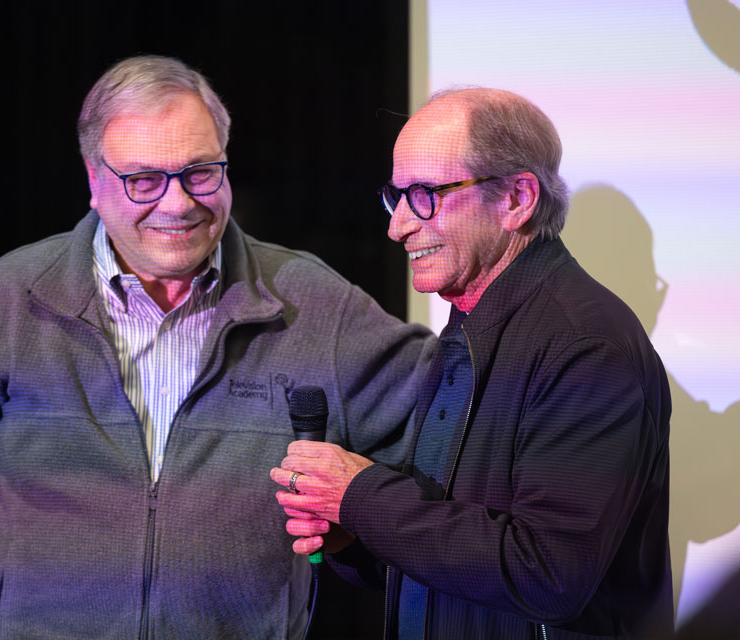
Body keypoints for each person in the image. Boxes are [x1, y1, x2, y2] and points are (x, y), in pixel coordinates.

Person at [0, 55, 433, 639]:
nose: (178, 203)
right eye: (144, 180)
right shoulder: (8, 300)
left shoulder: (315, 305)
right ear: (94, 181)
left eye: (201, 172)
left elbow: (455, 426)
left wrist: (360, 525)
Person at [272, 88, 674, 639]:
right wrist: (355, 534)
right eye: (396, 197)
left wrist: (362, 497)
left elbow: (547, 574)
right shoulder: (468, 330)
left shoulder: (585, 347)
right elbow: (459, 552)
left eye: (425, 195)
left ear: (516, 199)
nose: (398, 226)